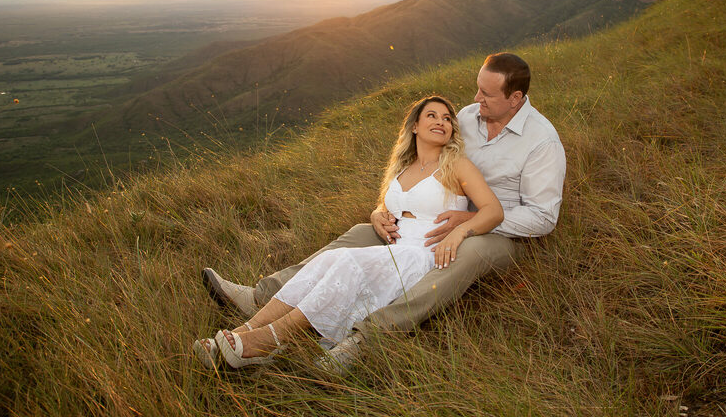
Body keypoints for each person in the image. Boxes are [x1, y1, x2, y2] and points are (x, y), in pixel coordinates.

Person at [201, 52, 566, 372]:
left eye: (486, 94)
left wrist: (469, 222)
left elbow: (543, 217)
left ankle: (367, 337)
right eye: (477, 89)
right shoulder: (470, 117)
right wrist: (381, 211)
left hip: (503, 232)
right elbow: (426, 169)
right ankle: (263, 296)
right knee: (361, 234)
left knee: (465, 252)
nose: (475, 99)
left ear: (515, 98)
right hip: (437, 216)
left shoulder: (542, 141)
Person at [193, 95, 504, 369]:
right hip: (393, 249)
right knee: (327, 260)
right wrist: (376, 214)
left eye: (447, 118)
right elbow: (387, 207)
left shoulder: (456, 165)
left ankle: (269, 341)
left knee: (346, 261)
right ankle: (244, 332)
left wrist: (460, 232)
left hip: (423, 254)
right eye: (432, 116)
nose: (441, 122)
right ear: (414, 126)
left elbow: (493, 210)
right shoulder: (402, 167)